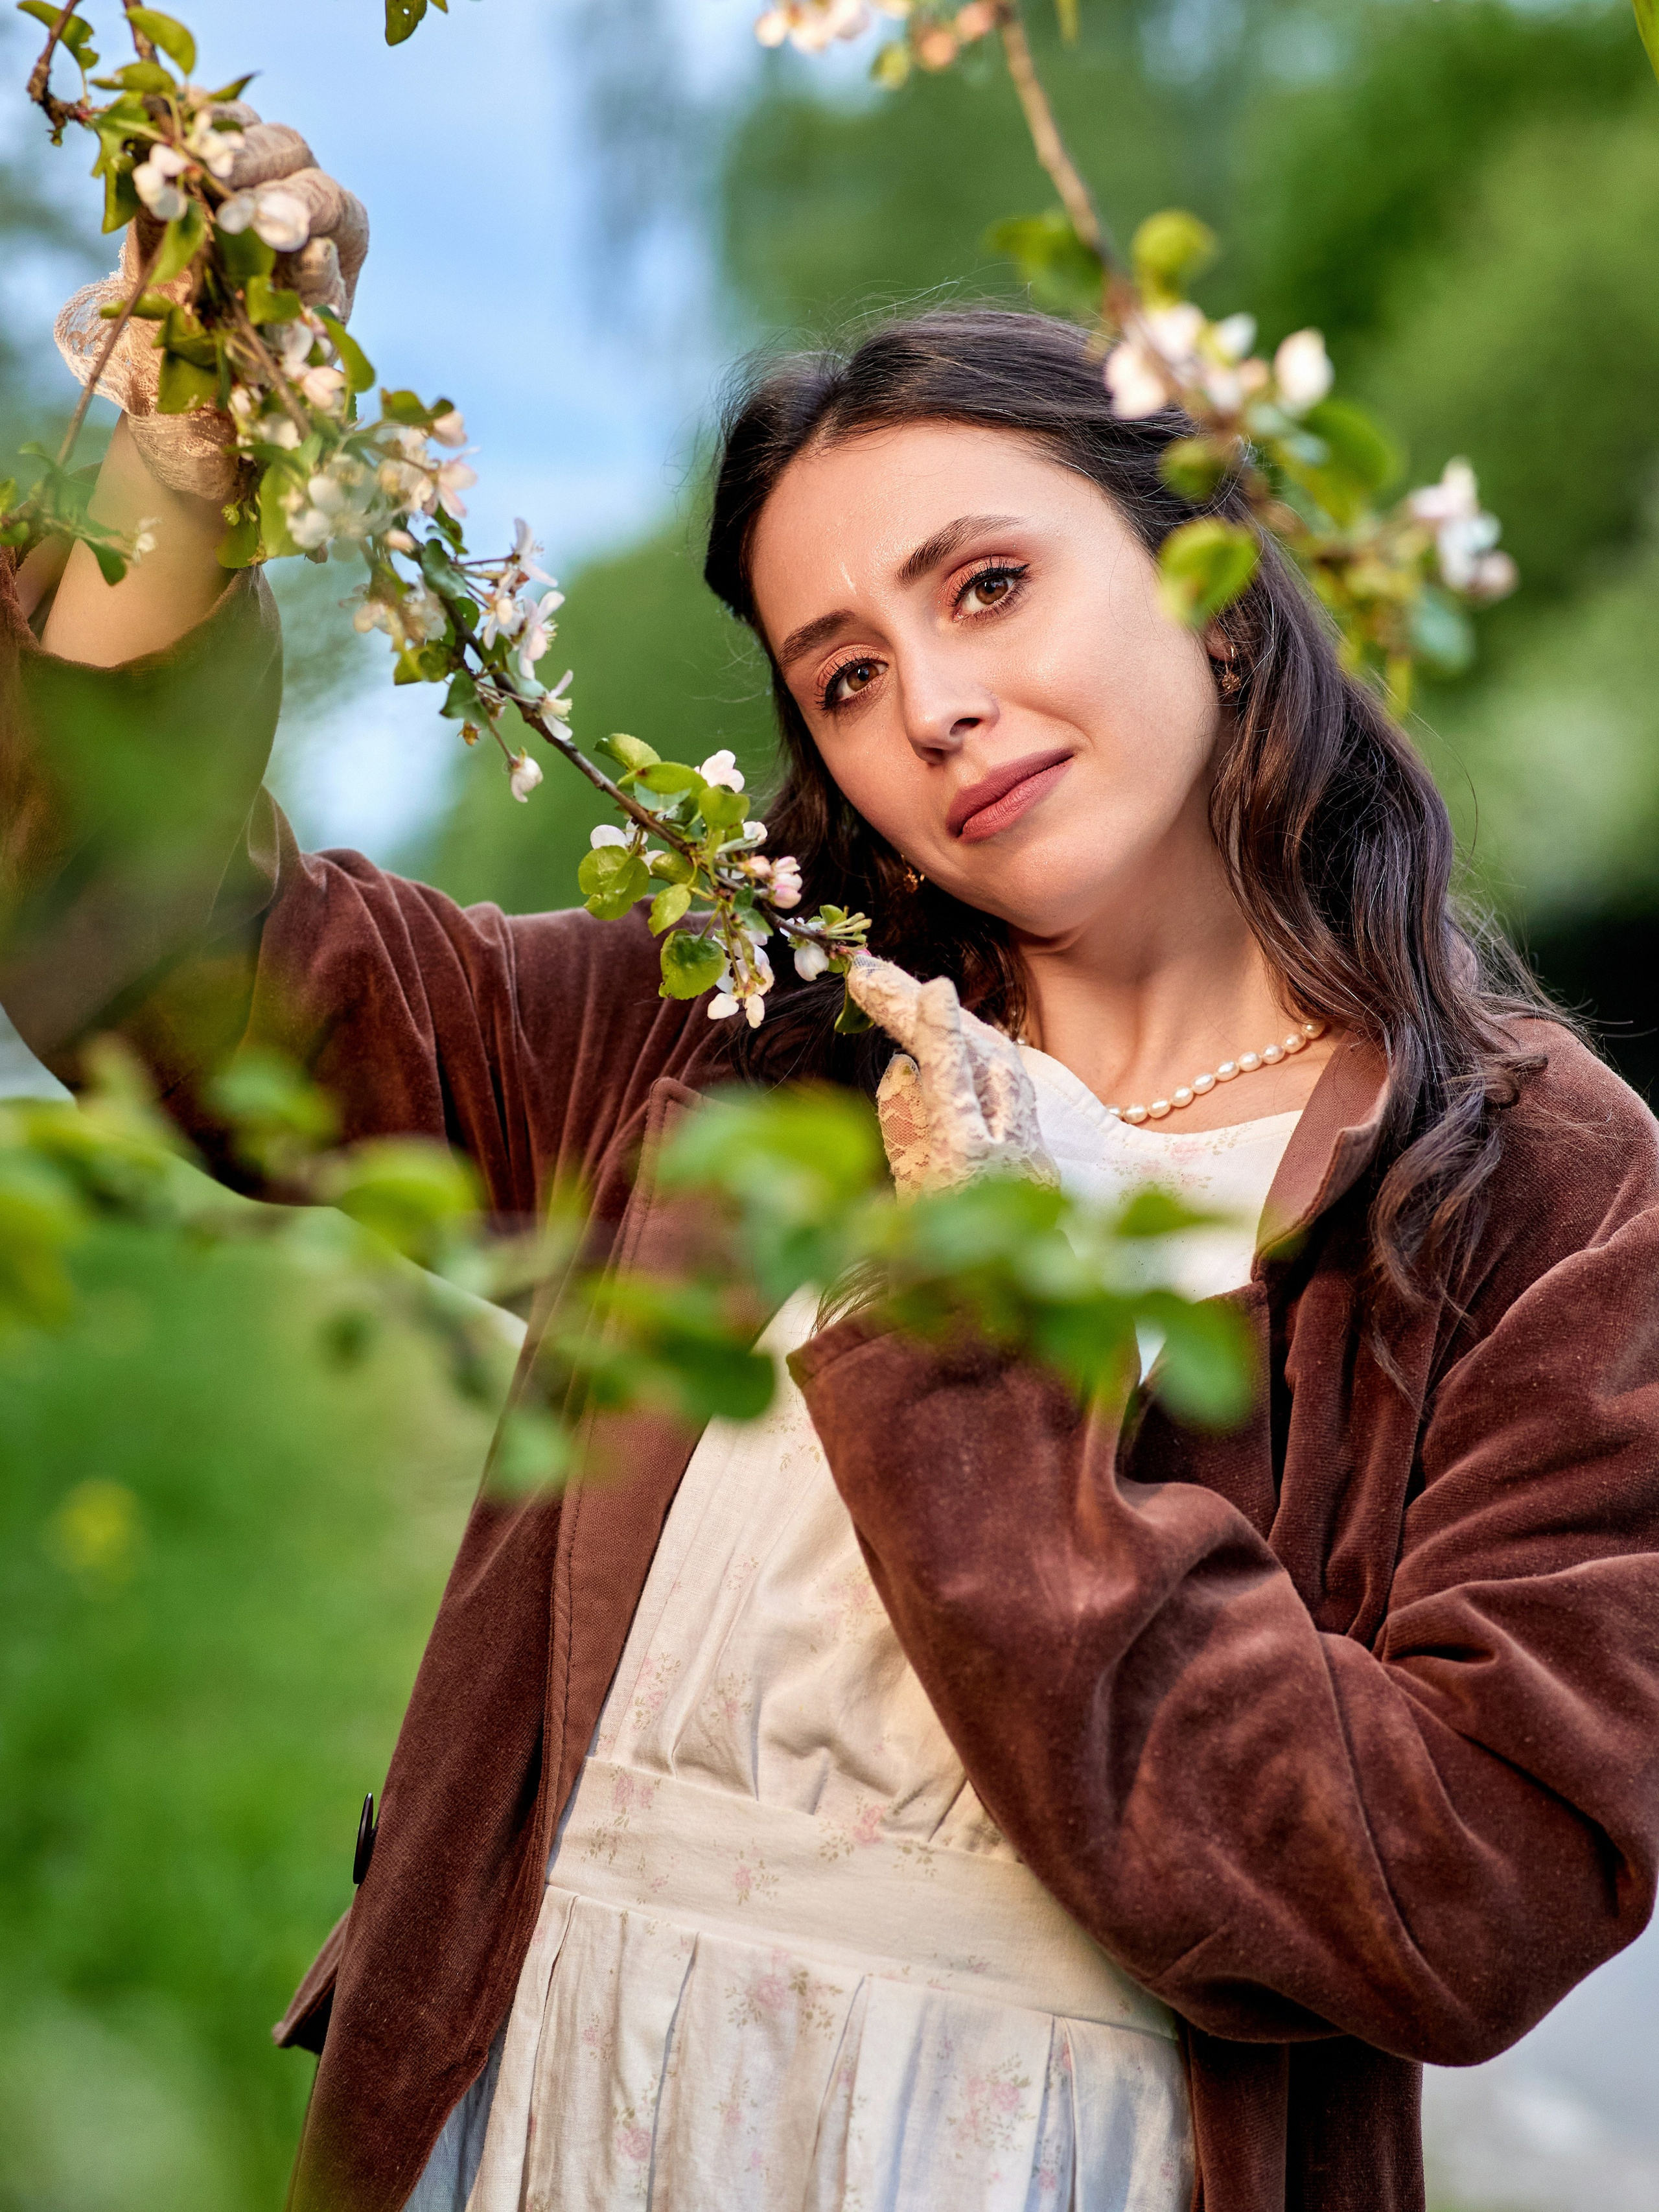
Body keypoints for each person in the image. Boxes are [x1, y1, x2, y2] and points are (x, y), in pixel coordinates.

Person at [5, 116, 1659, 2212]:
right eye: (848, 677)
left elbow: (1474, 1877)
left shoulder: (1533, 1184)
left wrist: (967, 1355)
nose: (938, 708)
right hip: (566, 2113)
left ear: (1218, 595)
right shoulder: (737, 1047)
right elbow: (175, 980)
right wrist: (180, 462)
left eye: (989, 584)